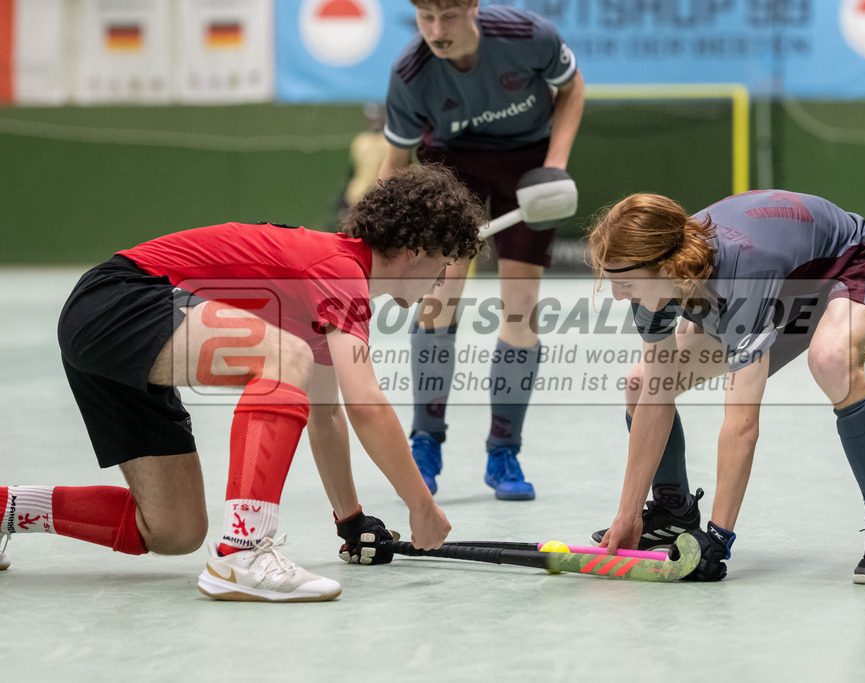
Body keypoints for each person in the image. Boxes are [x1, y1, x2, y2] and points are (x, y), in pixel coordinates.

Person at [0, 164, 484, 601]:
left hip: (113, 326)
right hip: (118, 300)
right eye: (443, 263)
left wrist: (351, 520)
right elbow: (366, 402)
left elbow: (328, 413)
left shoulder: (326, 295)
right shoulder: (340, 273)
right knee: (283, 357)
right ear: (415, 248)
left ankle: (6, 509)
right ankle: (242, 551)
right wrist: (421, 505)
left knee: (173, 529)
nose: (441, 281)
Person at [587, 190, 865, 585]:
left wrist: (717, 537)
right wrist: (626, 516)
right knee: (641, 381)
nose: (616, 293)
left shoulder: (741, 277)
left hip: (847, 265)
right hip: (781, 289)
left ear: (664, 266)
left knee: (831, 360)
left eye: (623, 281)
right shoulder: (652, 282)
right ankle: (672, 511)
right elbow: (658, 391)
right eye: (610, 278)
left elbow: (742, 425)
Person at [378, 0, 585, 500]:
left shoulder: (528, 34)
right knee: (440, 295)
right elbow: (393, 163)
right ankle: (425, 442)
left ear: (472, 7)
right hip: (452, 169)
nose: (436, 30)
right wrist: (384, 241)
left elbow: (572, 88)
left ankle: (503, 451)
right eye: (426, 17)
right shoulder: (411, 72)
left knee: (521, 307)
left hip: (526, 166)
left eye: (447, 15)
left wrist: (555, 165)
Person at [333, 102, 391, 223]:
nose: (375, 120)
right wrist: (343, 203)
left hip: (378, 200)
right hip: (355, 198)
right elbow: (353, 171)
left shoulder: (390, 142)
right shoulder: (360, 141)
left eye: (378, 116)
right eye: (372, 116)